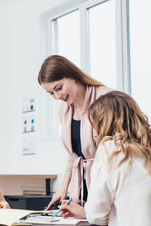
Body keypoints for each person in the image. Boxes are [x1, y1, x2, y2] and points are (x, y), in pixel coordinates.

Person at [59, 91, 151, 226]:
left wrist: (87, 211)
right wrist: (85, 212)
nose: (94, 134)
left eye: (94, 126)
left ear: (105, 123)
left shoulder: (110, 148)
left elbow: (97, 216)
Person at [38, 55, 113, 208]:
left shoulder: (106, 99)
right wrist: (63, 188)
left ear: (72, 76)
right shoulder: (64, 108)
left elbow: (118, 152)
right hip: (82, 188)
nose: (57, 96)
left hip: (106, 183)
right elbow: (74, 154)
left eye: (59, 88)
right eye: (51, 93)